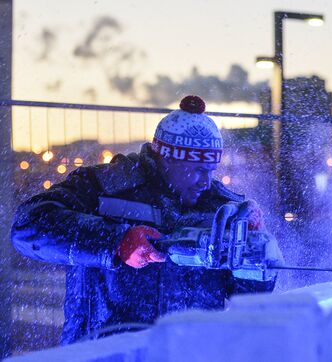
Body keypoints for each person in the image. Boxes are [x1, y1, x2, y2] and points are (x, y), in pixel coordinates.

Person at [11, 95, 283, 344]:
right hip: (105, 352)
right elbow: (27, 224)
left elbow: (248, 299)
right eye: (196, 169)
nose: (206, 181)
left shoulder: (223, 208)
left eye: (211, 170)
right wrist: (116, 241)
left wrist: (256, 254)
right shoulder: (105, 186)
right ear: (165, 158)